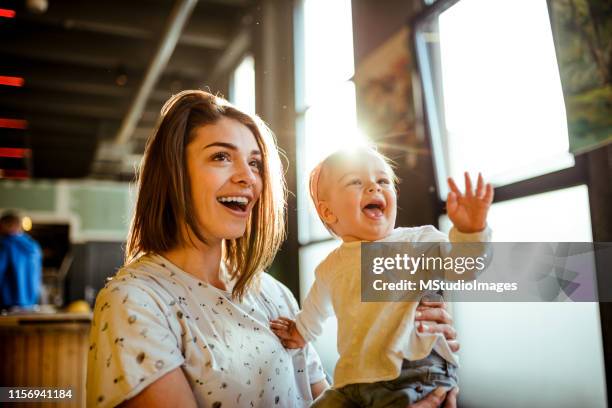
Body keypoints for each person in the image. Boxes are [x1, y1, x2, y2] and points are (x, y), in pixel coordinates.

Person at [86, 90, 460, 408]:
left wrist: (410, 361)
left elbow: (328, 394)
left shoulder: (272, 293)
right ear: (173, 173)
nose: (247, 177)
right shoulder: (134, 301)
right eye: (220, 156)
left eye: (255, 163)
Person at [271, 147, 493, 407]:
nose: (374, 188)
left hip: (413, 372)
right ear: (329, 212)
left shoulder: (418, 241)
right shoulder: (330, 267)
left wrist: (470, 230)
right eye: (355, 182)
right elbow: (314, 311)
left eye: (383, 181)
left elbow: (464, 268)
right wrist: (298, 332)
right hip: (352, 380)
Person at [0, 210, 42, 310]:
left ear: (6, 225)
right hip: (31, 303)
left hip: (8, 303)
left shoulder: (5, 245)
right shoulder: (34, 246)